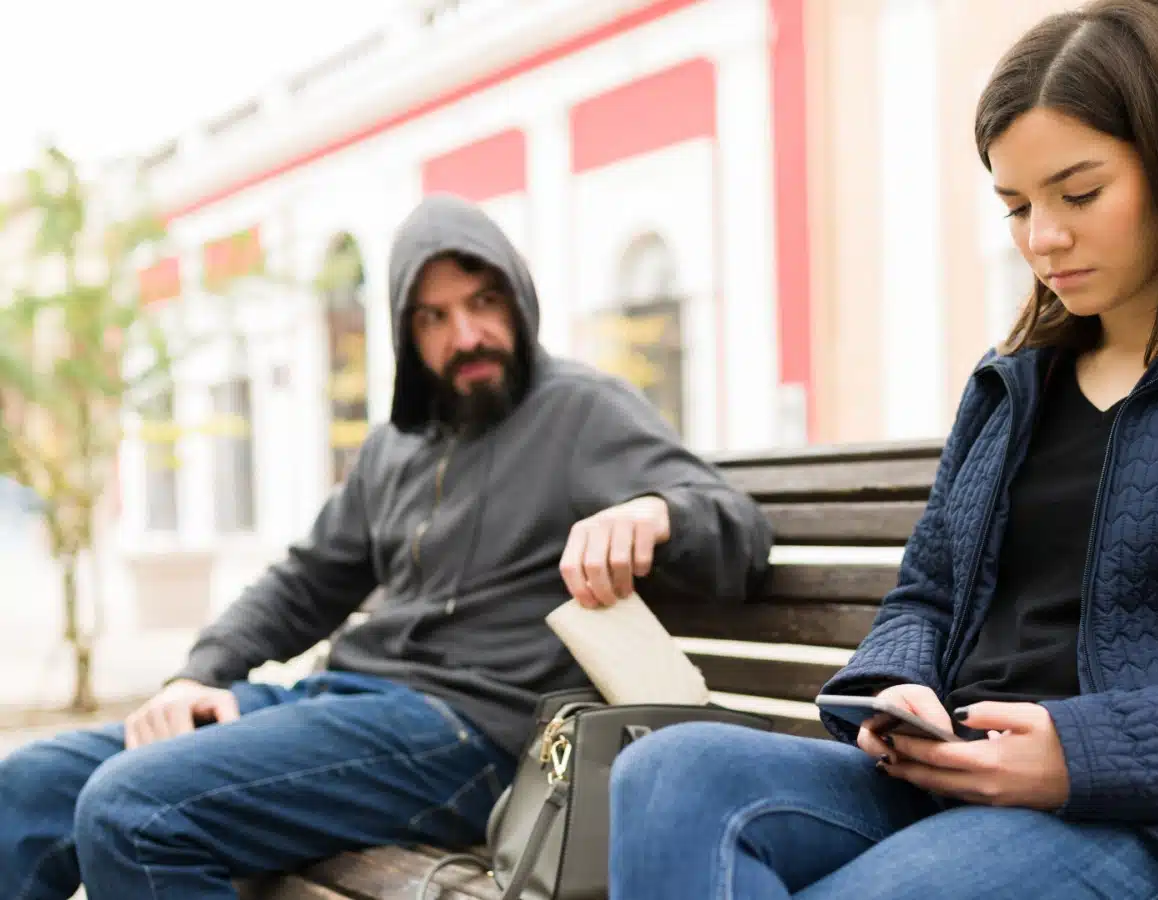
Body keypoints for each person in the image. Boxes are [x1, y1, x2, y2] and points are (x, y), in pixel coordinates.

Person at [606, 2, 1158, 898]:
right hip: (951, 780)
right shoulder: (1014, 382)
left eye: (1079, 194)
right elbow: (928, 594)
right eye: (1016, 206)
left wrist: (1081, 755)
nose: (1043, 238)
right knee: (668, 777)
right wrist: (896, 687)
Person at [0, 194, 773, 899]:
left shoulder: (581, 411)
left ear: (518, 297)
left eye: (482, 301)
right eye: (433, 317)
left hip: (473, 732)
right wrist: (198, 673)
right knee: (30, 789)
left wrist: (656, 512)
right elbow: (305, 582)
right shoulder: (396, 444)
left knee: (134, 810)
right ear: (406, 332)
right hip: (346, 706)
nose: (465, 335)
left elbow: (733, 526)